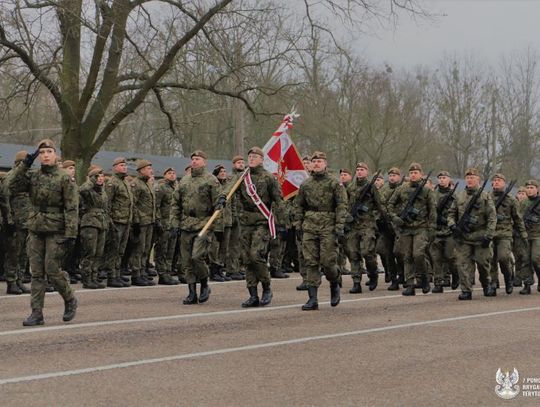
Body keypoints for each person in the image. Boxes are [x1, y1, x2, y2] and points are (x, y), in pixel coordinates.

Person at [7, 139, 78, 326]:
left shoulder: (64, 178)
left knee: (53, 270)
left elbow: (72, 208)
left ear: (55, 155)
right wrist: (25, 164)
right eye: (42, 152)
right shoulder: (33, 176)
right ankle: (36, 313)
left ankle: (69, 299)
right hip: (36, 228)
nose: (45, 155)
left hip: (56, 229)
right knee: (37, 273)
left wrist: (71, 234)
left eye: (49, 151)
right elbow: (8, 184)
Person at [294, 151, 347, 310]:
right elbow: (298, 206)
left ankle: (335, 282)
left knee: (327, 261)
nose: (316, 163)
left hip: (328, 226)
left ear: (325, 164)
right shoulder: (306, 184)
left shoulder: (334, 183)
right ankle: (313, 299)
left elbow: (342, 206)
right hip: (310, 225)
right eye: (314, 161)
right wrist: (298, 224)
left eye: (319, 161)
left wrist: (339, 226)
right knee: (310, 261)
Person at [170, 150, 223, 304]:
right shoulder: (184, 181)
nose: (194, 161)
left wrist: (216, 227)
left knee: (197, 257)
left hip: (203, 224)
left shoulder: (211, 180)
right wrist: (174, 224)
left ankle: (205, 283)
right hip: (186, 225)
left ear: (204, 162)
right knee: (187, 262)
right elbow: (175, 204)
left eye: (198, 159)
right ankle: (191, 292)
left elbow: (218, 206)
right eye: (193, 159)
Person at [235, 147, 283, 308]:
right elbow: (227, 191)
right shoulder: (242, 177)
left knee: (256, 255)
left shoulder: (268, 178)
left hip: (262, 221)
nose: (252, 159)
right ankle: (253, 294)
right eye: (249, 156)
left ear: (262, 160)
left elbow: (278, 200)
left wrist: (282, 221)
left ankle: (266, 287)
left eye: (255, 156)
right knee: (247, 259)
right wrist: (222, 198)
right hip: (245, 222)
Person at [448, 168, 496, 300]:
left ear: (478, 179)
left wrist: (489, 235)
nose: (469, 180)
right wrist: (452, 225)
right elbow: (451, 213)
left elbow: (492, 217)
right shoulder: (459, 196)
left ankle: (487, 285)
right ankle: (466, 290)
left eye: (472, 177)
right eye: (467, 177)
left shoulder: (485, 196)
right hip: (463, 237)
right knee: (462, 264)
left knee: (483, 264)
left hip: (481, 236)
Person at [389, 163, 436, 296]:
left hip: (421, 227)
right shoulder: (402, 189)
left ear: (421, 174)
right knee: (407, 256)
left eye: (416, 173)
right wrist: (395, 218)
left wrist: (432, 228)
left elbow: (433, 210)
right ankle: (410, 285)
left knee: (418, 255)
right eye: (411, 173)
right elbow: (390, 205)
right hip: (406, 228)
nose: (413, 175)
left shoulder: (426, 191)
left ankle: (424, 278)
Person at [345, 162, 386, 293]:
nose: (360, 172)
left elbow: (380, 205)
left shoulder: (371, 187)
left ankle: (373, 274)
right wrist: (346, 217)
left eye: (362, 169)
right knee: (353, 253)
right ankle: (356, 282)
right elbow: (344, 204)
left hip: (368, 225)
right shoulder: (350, 187)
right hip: (353, 225)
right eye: (358, 169)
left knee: (367, 252)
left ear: (367, 172)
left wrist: (377, 218)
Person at [490, 173, 527, 295]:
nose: (496, 182)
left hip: (505, 233)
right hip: (489, 232)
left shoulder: (511, 199)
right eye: (494, 180)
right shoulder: (487, 197)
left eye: (499, 180)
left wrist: (523, 234)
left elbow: (517, 219)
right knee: (490, 259)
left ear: (504, 183)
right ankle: (493, 283)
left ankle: (508, 277)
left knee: (503, 257)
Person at [103, 157, 133, 287]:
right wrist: (110, 222)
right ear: (115, 167)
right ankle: (111, 276)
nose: (124, 167)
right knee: (113, 250)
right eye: (121, 165)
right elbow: (107, 203)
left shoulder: (125, 182)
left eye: (125, 165)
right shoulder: (112, 183)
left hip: (126, 221)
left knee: (121, 250)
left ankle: (117, 273)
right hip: (116, 221)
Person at [4, 151, 31, 294]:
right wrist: (9, 219)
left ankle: (19, 280)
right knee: (13, 253)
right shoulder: (12, 175)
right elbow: (6, 194)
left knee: (24, 253)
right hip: (15, 220)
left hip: (28, 221)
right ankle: (11, 281)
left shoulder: (28, 175)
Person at [79, 167, 109, 289]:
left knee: (99, 252)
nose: (100, 179)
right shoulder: (88, 190)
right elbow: (81, 190)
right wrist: (91, 180)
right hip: (90, 223)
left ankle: (94, 277)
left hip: (101, 223)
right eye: (97, 176)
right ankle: (87, 278)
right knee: (90, 252)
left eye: (102, 176)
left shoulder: (103, 191)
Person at [430, 171, 459, 293]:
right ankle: (438, 283)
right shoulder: (432, 195)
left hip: (449, 231)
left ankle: (455, 275)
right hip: (436, 230)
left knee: (450, 257)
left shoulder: (456, 196)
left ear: (449, 179)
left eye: (444, 178)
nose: (442, 180)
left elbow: (459, 211)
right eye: (440, 178)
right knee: (436, 258)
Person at [130, 159, 158, 286]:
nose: (151, 171)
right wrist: (135, 221)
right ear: (141, 170)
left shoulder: (148, 184)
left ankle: (142, 272)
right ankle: (136, 274)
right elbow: (133, 204)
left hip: (149, 221)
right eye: (148, 169)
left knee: (146, 249)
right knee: (139, 249)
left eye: (150, 168)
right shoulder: (136, 184)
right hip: (140, 222)